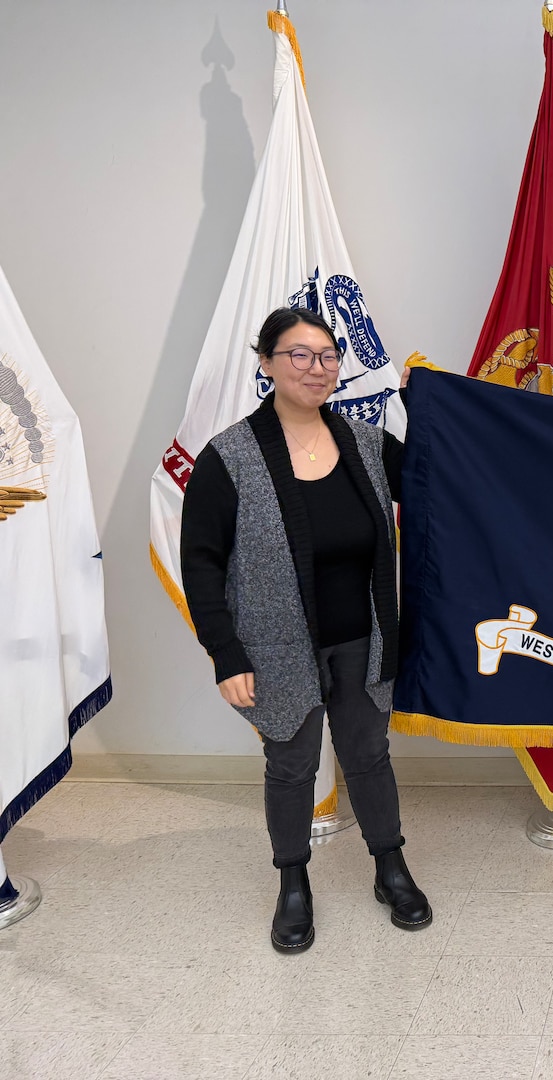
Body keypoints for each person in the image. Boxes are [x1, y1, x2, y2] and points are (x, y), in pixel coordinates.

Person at [180, 307, 429, 954]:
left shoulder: (367, 445)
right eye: (298, 354)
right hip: (275, 649)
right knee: (290, 765)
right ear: (265, 363)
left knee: (369, 756)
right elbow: (201, 564)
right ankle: (293, 884)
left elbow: (438, 476)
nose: (316, 368)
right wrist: (225, 654)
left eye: (327, 356)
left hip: (364, 642)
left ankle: (389, 866)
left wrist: (430, 401)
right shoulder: (228, 458)